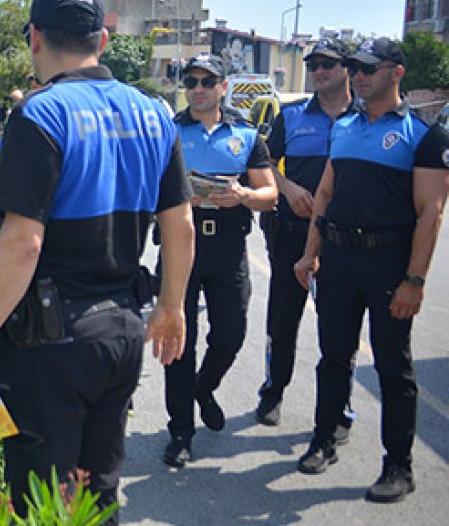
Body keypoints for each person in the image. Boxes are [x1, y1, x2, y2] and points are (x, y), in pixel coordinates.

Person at [0, 0, 193, 522]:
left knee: (41, 502)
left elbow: (24, 241)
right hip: (123, 330)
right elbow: (181, 224)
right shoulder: (153, 114)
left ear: (34, 38)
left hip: (52, 344)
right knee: (97, 492)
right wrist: (172, 307)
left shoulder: (41, 114)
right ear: (101, 39)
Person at [293, 37, 449, 503]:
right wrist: (309, 254)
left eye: (369, 69)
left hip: (387, 265)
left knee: (393, 368)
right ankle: (323, 440)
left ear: (396, 73)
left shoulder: (424, 137)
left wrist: (414, 281)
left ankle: (398, 466)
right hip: (339, 259)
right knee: (333, 357)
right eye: (355, 69)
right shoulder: (345, 127)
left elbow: (430, 214)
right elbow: (325, 196)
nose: (359, 77)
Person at [161, 53, 277, 468]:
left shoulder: (245, 135)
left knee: (230, 333)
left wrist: (243, 195)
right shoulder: (168, 132)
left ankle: (203, 387)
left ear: (223, 87)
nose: (197, 88)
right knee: (178, 340)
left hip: (228, 247)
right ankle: (180, 432)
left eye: (207, 81)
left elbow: (270, 195)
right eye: (190, 81)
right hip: (179, 245)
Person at [255, 39, 359, 429]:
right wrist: (289, 188)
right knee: (283, 321)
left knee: (341, 330)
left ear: (347, 68)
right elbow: (264, 162)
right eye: (313, 64)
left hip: (345, 239)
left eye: (328, 64)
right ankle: (272, 393)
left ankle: (339, 408)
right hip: (293, 233)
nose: (319, 71)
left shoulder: (366, 118)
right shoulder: (293, 115)